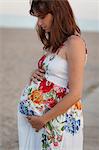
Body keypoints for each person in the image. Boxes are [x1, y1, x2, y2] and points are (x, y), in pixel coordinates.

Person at [17, 0, 88, 150]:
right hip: (42, 123)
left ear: (57, 13)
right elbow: (54, 75)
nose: (39, 23)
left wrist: (43, 119)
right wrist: (35, 74)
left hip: (57, 121)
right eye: (37, 18)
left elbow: (75, 93)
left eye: (42, 17)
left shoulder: (74, 43)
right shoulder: (54, 44)